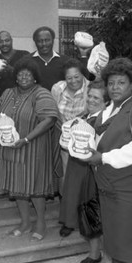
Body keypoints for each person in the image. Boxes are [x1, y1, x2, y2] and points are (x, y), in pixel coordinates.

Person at [85, 58, 132, 263]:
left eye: (121, 83)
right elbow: (100, 141)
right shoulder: (109, 110)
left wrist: (103, 158)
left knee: (129, 249)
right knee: (115, 246)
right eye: (111, 83)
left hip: (131, 191)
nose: (115, 87)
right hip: (109, 189)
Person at [0, 58, 60, 242]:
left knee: (35, 185)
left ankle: (40, 223)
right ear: (15, 77)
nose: (24, 76)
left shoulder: (41, 93)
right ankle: (25, 223)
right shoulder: (8, 92)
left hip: (33, 148)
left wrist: (26, 139)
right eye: (20, 74)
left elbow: (49, 119)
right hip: (10, 148)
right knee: (17, 186)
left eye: (28, 74)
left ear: (35, 77)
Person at [58, 80, 113, 263]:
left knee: (96, 214)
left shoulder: (106, 122)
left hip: (93, 172)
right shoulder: (84, 116)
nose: (91, 99)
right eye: (89, 95)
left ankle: (104, 257)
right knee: (86, 213)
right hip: (78, 169)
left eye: (96, 97)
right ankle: (95, 254)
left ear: (106, 102)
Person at [51, 58, 90, 199]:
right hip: (64, 140)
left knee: (84, 174)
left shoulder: (91, 89)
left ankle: (83, 207)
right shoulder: (57, 89)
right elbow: (53, 111)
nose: (73, 81)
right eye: (69, 78)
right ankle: (67, 205)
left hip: (84, 140)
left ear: (82, 75)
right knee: (65, 172)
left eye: (76, 76)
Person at [26, 26, 70, 91]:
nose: (44, 44)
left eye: (47, 40)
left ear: (53, 40)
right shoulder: (27, 61)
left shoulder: (66, 61)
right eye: (40, 41)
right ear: (35, 42)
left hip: (58, 100)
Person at [0, 31, 30, 99]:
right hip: (3, 103)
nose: (4, 44)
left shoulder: (24, 55)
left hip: (24, 100)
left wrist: (12, 70)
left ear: (12, 41)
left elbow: (31, 77)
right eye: (1, 41)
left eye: (7, 40)